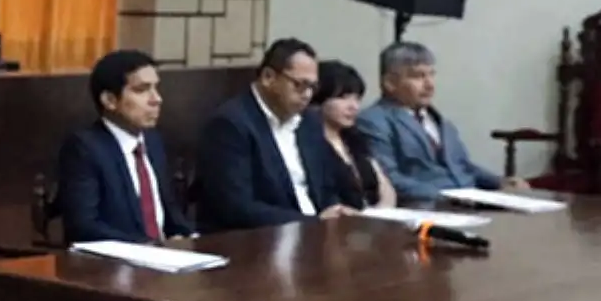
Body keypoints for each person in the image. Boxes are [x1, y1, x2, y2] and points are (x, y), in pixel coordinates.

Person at [196, 37, 354, 232]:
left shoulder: (309, 121)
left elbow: (326, 187)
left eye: (313, 87)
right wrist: (312, 222)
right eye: (299, 85)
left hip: (314, 233)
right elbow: (236, 207)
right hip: (257, 238)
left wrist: (335, 211)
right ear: (268, 77)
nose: (307, 95)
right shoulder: (230, 124)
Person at [356, 41, 529, 203]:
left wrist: (499, 182)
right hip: (427, 206)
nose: (429, 84)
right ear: (390, 83)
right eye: (418, 76)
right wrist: (447, 197)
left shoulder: (439, 121)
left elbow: (461, 165)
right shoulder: (373, 121)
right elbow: (388, 178)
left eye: (431, 74)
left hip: (468, 203)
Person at [54, 49, 195, 245]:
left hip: (163, 256)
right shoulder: (84, 148)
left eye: (156, 88)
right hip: (113, 260)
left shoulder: (153, 141)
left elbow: (168, 209)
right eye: (142, 90)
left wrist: (186, 235)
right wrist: (148, 248)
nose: (156, 99)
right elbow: (83, 226)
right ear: (110, 100)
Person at [312, 60, 397, 211]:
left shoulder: (355, 139)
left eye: (357, 98)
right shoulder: (310, 143)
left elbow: (386, 188)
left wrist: (381, 211)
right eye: (343, 97)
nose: (353, 106)